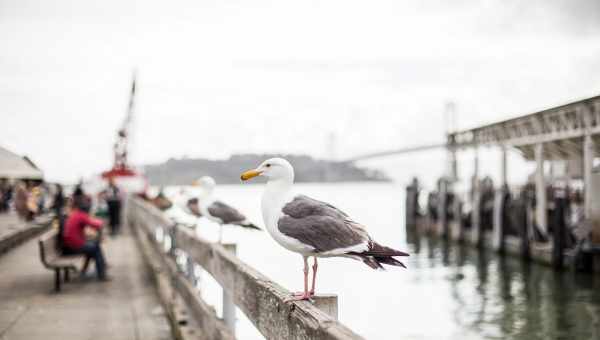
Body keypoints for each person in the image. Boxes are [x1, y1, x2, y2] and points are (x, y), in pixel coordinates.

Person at [62, 197, 109, 281]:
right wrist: (102, 222)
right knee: (96, 248)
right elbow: (95, 224)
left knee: (93, 246)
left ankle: (86, 271)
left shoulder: (76, 214)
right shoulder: (81, 215)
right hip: (73, 246)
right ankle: (102, 274)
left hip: (69, 244)